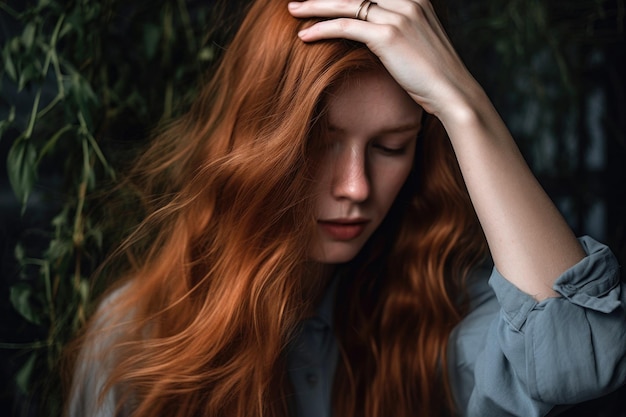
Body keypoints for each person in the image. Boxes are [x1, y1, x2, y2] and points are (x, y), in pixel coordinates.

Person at [65, 0, 626, 416]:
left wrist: (461, 104)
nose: (355, 187)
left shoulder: (448, 319)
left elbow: (581, 353)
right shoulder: (138, 340)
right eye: (319, 143)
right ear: (258, 144)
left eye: (390, 147)